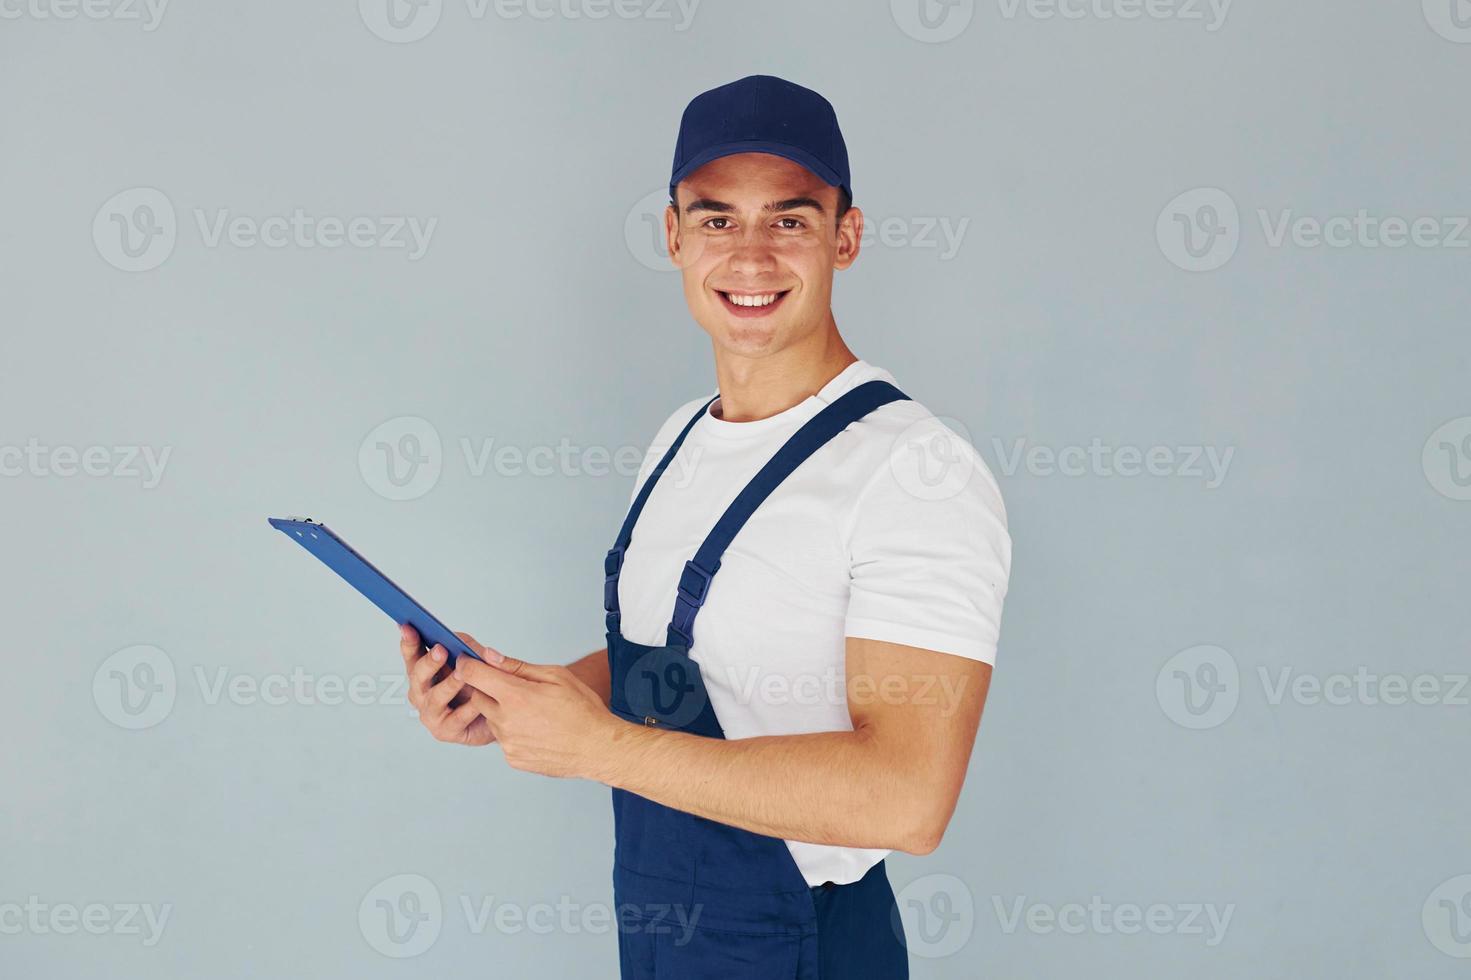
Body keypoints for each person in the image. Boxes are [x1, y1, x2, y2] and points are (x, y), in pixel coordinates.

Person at [397, 74, 1012, 979]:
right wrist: (514, 700)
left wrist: (599, 748)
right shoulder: (681, 436)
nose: (751, 257)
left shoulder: (915, 471)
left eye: (790, 220)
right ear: (674, 236)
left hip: (803, 947)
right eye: (718, 219)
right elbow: (691, 664)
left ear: (845, 235)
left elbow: (906, 801)